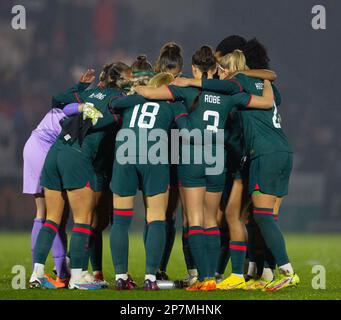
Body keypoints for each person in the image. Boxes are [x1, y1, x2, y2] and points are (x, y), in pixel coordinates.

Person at [135, 45, 275, 291]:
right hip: (216, 159)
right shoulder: (229, 93)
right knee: (212, 220)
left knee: (195, 222)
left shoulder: (185, 89)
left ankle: (205, 278)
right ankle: (214, 276)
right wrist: (265, 80)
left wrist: (136, 86)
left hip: (192, 159)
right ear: (215, 69)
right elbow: (265, 103)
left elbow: (149, 93)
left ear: (193, 68)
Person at [176, 49, 300, 292]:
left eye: (221, 70)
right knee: (257, 215)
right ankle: (261, 273)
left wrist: (189, 81)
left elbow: (226, 90)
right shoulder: (267, 85)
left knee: (260, 215)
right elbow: (269, 84)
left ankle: (286, 271)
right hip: (283, 151)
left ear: (226, 70)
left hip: (264, 152)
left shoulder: (236, 83)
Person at [29, 63, 126, 290]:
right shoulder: (118, 100)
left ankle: (37, 275)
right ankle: (78, 278)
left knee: (52, 219)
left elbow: (56, 100)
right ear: (123, 82)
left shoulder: (89, 93)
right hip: (77, 156)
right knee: (83, 220)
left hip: (55, 152)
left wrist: (81, 86)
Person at [108, 72, 191, 290]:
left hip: (125, 153)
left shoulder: (133, 101)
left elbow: (113, 105)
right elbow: (188, 131)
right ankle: (151, 278)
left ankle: (120, 276)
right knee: (156, 218)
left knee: (120, 220)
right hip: (154, 155)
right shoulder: (173, 103)